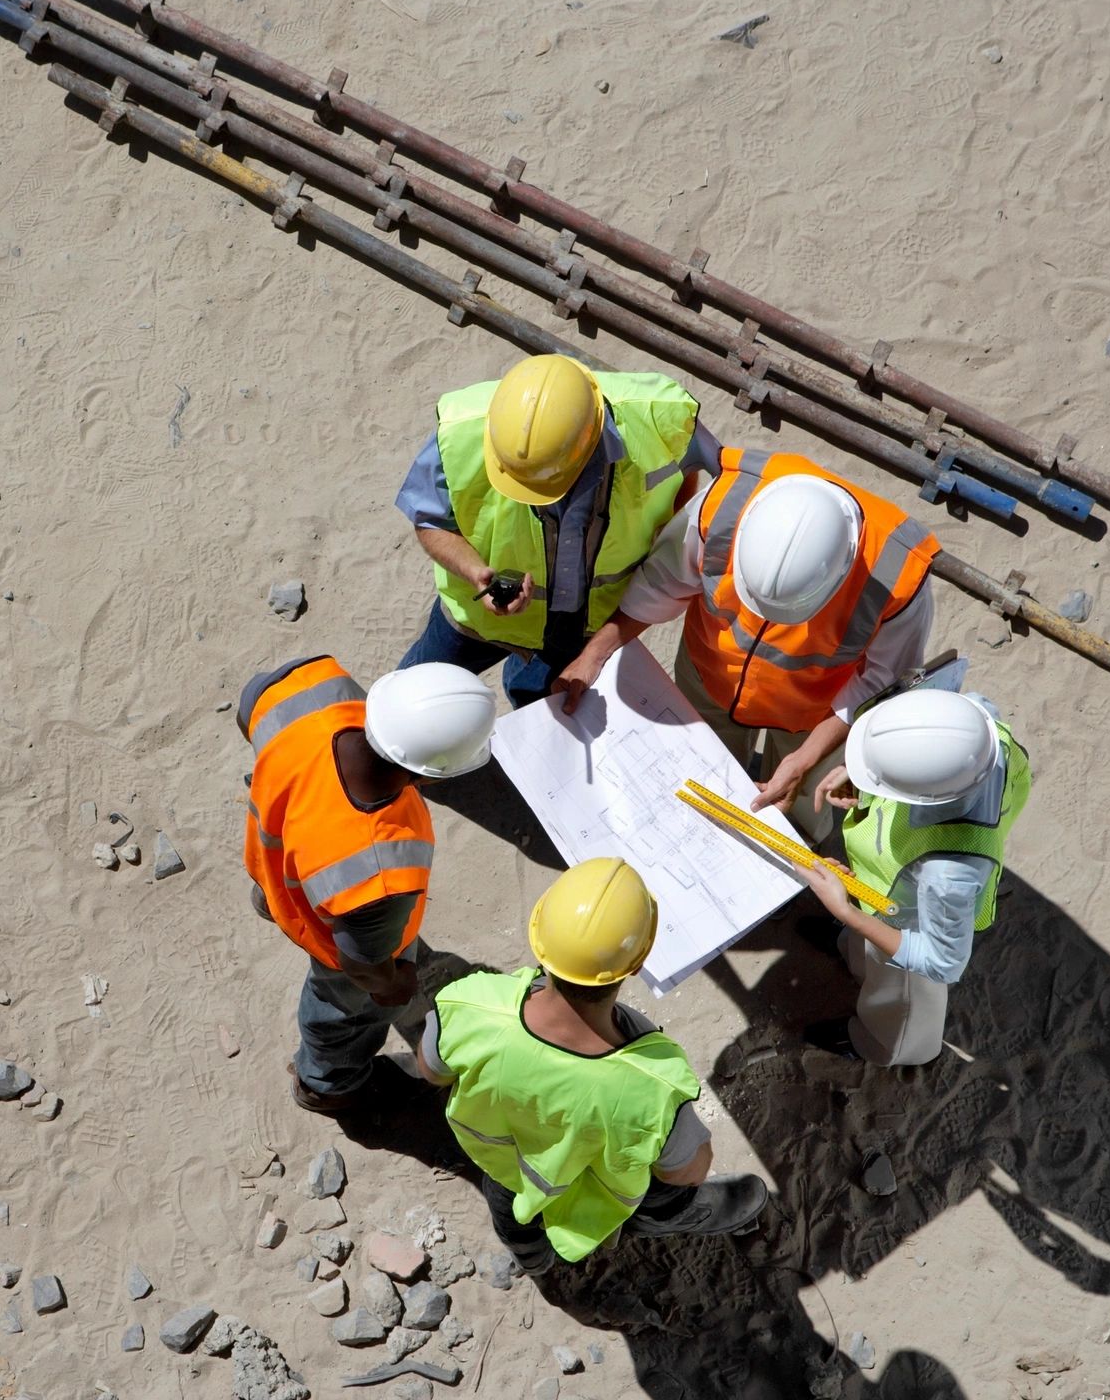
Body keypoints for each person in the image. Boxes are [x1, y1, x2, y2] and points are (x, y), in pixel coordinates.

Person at [554, 449, 939, 839]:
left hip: (812, 719)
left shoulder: (897, 576)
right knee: (702, 785)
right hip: (707, 679)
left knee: (794, 815)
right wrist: (594, 653)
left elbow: (882, 683)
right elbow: (661, 584)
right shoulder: (723, 508)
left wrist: (805, 759)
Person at [414, 858, 769, 1272]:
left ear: (540, 936)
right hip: (597, 1191)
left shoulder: (471, 1003)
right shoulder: (652, 1081)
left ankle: (533, 1261)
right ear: (635, 963)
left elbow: (431, 1069)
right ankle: (658, 1219)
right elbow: (689, 1170)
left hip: (508, 1168)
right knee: (659, 1197)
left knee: (514, 1216)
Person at [240, 656, 498, 1113]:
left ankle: (272, 904)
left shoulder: (317, 687)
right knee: (343, 1013)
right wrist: (392, 985)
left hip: (278, 867)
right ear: (425, 774)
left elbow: (249, 711)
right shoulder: (379, 871)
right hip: (341, 931)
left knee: (287, 895)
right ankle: (327, 1082)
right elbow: (359, 964)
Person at [396, 354, 709, 709]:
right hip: (478, 615)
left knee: (538, 704)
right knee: (407, 701)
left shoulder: (659, 419)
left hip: (583, 619)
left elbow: (684, 477)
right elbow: (429, 519)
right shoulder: (460, 433)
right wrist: (473, 572)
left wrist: (664, 533)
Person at [791, 688, 1032, 1067]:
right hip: (882, 887)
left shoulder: (949, 875)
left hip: (908, 919)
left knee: (901, 995)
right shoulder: (973, 728)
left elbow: (942, 962)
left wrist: (847, 911)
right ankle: (851, 948)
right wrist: (867, 776)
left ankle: (882, 1044)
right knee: (864, 945)